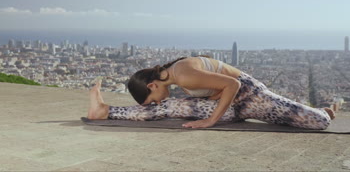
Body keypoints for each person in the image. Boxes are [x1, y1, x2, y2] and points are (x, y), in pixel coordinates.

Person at [87, 55, 335, 129]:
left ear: (152, 85)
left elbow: (233, 85)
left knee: (319, 122)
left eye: (150, 99)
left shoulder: (182, 73)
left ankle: (321, 112)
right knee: (171, 107)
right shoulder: (177, 76)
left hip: (250, 97)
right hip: (233, 107)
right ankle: (104, 110)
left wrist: (209, 121)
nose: (152, 102)